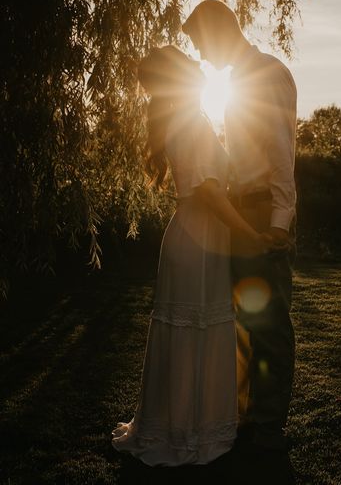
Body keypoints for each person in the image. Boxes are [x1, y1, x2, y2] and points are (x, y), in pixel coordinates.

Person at [111, 45, 270, 466]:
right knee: (193, 330)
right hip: (197, 240)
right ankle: (188, 432)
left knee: (193, 331)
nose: (200, 66)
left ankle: (189, 424)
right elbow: (209, 192)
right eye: (190, 64)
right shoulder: (191, 124)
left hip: (194, 238)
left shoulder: (185, 121)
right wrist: (249, 232)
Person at [182, 0, 297, 452]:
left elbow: (282, 154)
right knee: (244, 318)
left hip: (264, 210)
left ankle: (269, 424)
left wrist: (280, 223)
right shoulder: (234, 81)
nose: (203, 57)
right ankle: (247, 413)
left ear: (217, 32)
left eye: (201, 45)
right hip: (240, 211)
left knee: (269, 321)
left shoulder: (269, 73)